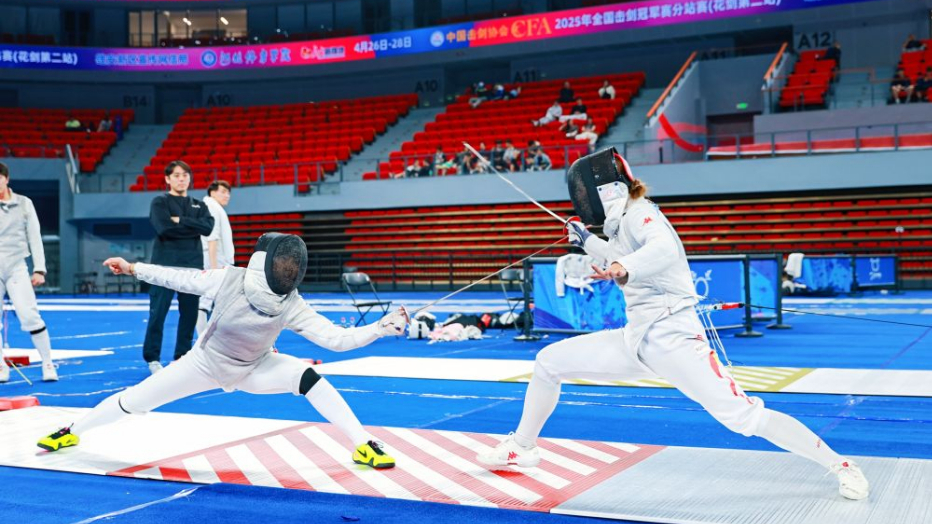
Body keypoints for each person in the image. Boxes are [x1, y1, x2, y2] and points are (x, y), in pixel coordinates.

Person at [476, 148, 870, 501]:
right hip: (636, 340)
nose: (583, 200)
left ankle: (841, 465)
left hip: (675, 339)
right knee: (548, 362)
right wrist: (586, 241)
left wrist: (621, 265)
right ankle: (522, 447)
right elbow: (619, 251)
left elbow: (662, 248)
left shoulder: (642, 213)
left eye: (585, 192)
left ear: (606, 190)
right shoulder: (623, 223)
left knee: (744, 416)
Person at [37, 233, 409, 471]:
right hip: (204, 363)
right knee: (134, 400)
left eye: (291, 265)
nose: (288, 269)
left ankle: (363, 443)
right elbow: (177, 277)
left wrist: (379, 328)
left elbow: (336, 340)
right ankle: (72, 430)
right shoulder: (229, 278)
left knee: (308, 378)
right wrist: (133, 267)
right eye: (284, 263)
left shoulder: (291, 302)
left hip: (255, 367)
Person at [144, 161, 214, 374]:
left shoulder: (199, 205)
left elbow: (208, 228)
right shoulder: (160, 202)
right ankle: (153, 359)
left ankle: (182, 356)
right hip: (163, 266)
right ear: (167, 179)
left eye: (185, 175)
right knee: (158, 314)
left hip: (192, 266)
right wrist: (192, 226)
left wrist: (180, 220)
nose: (181, 179)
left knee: (189, 315)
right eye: (176, 175)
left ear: (189, 178)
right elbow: (164, 229)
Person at [0, 162, 57, 383]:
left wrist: (39, 269)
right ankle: (1, 366)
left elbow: (35, 236)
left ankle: (47, 363)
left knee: (30, 315)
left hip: (16, 266)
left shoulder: (24, 203)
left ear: (6, 179)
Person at [196, 180, 234, 338]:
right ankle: (203, 339)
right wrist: (213, 268)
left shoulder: (214, 207)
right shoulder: (211, 206)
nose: (227, 195)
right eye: (223, 192)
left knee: (221, 301)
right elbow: (212, 238)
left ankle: (210, 339)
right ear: (212, 192)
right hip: (215, 261)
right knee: (205, 301)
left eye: (228, 192)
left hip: (218, 261)